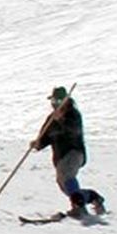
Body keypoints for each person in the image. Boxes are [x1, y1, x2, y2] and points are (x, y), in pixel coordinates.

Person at [30, 86, 105, 217]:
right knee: (63, 183)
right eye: (53, 102)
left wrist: (61, 120)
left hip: (74, 152)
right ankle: (92, 197)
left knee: (67, 175)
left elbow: (73, 131)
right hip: (60, 156)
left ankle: (79, 207)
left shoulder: (72, 115)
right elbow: (45, 136)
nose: (55, 105)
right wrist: (38, 143)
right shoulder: (51, 119)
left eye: (58, 102)